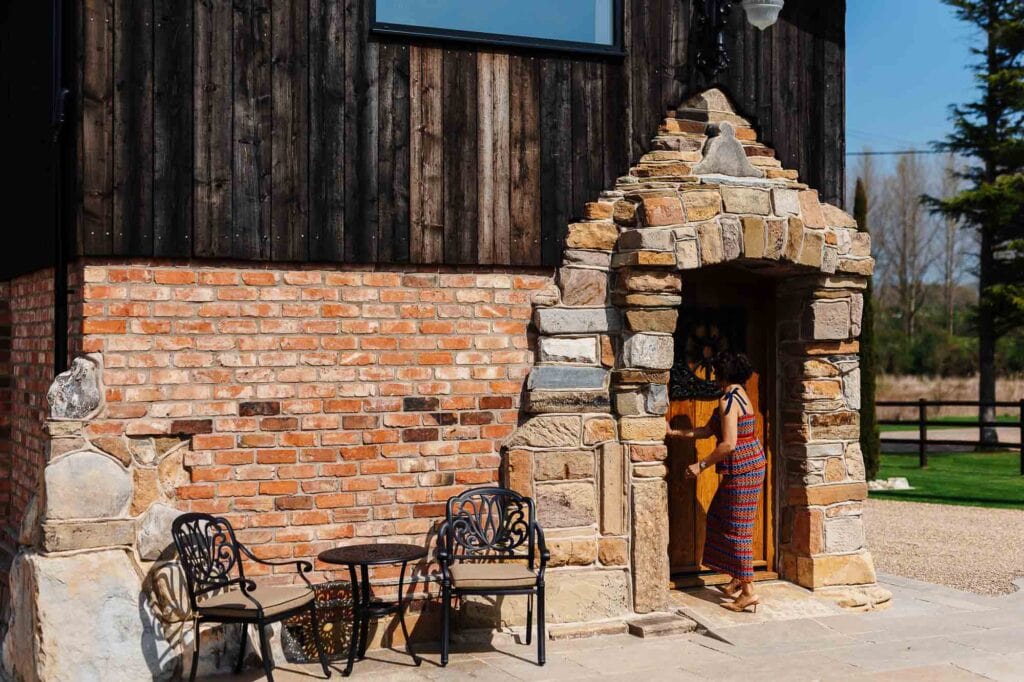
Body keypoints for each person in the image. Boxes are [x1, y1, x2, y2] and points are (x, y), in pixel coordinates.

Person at [668, 351, 767, 613]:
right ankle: (737, 577)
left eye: (715, 372)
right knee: (719, 519)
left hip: (744, 470)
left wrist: (700, 466)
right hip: (750, 466)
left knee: (737, 530)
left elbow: (728, 444)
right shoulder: (739, 394)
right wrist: (674, 433)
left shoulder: (728, 400)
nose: (713, 377)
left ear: (722, 373)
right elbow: (708, 430)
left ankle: (748, 592)